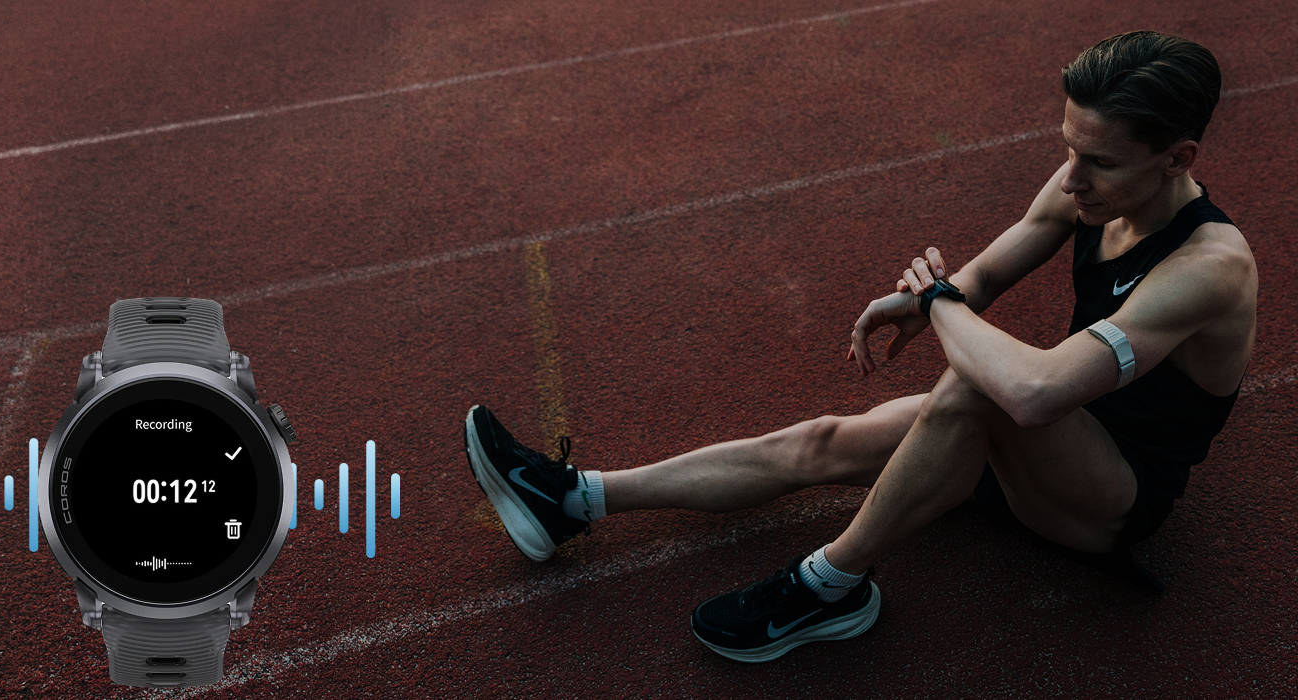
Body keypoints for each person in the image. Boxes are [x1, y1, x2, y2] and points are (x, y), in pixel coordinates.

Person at [464, 29, 1256, 663]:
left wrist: (939, 303)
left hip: (1106, 495)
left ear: (1178, 158)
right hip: (1027, 436)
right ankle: (572, 499)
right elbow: (988, 270)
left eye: (1100, 161)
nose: (1071, 178)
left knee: (977, 388)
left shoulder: (1208, 268)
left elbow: (1037, 393)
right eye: (1070, 146)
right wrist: (933, 303)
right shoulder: (1091, 185)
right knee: (822, 442)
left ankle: (832, 584)